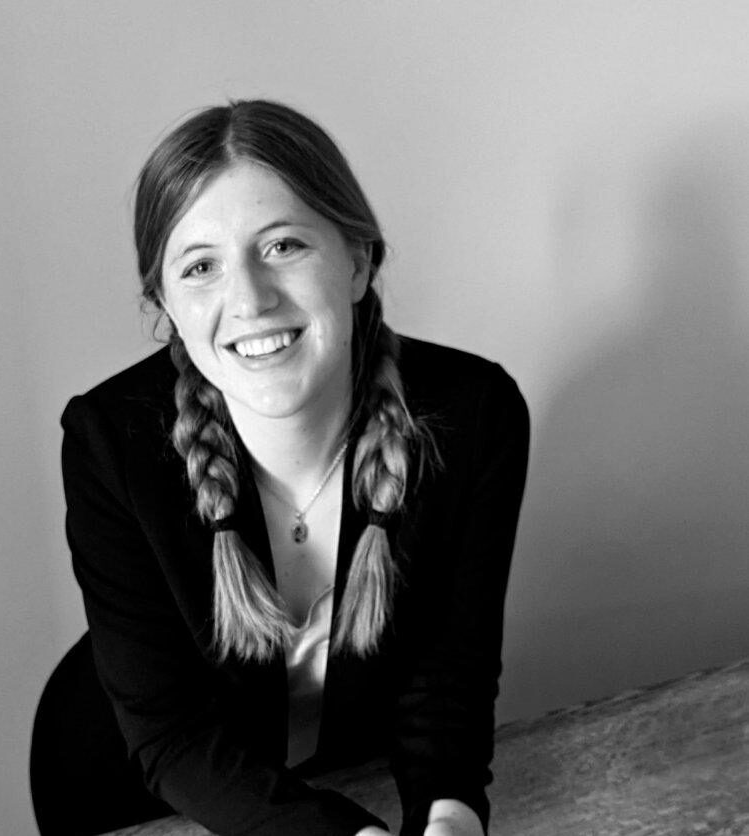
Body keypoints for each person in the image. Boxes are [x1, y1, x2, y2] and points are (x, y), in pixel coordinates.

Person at [60, 99, 529, 836]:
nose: (249, 300)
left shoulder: (475, 415)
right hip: (175, 807)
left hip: (359, 781)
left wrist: (451, 817)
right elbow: (174, 736)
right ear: (166, 305)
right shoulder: (106, 444)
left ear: (358, 261)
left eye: (283, 246)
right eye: (201, 267)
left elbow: (447, 682)